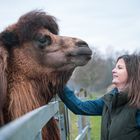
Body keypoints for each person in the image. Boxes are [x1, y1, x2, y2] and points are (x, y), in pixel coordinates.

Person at [59, 54, 140, 140]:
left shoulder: (137, 106)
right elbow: (79, 107)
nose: (113, 70)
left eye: (119, 68)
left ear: (132, 73)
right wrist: (58, 82)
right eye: (115, 67)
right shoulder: (109, 101)